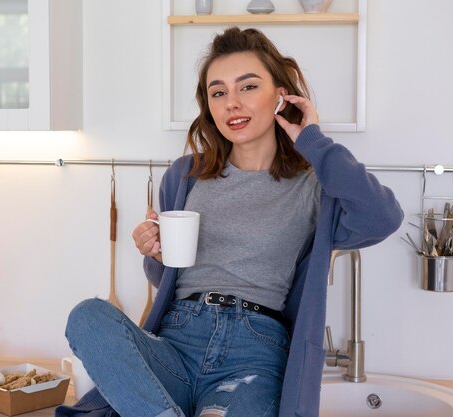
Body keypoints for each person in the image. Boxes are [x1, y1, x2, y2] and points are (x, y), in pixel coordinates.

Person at [56, 27, 403, 417]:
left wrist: (314, 141)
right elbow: (167, 276)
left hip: (254, 355)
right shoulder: (185, 176)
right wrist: (153, 251)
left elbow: (382, 217)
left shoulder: (314, 187)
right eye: (218, 92)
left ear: (280, 95)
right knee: (87, 316)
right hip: (176, 343)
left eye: (248, 87)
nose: (232, 104)